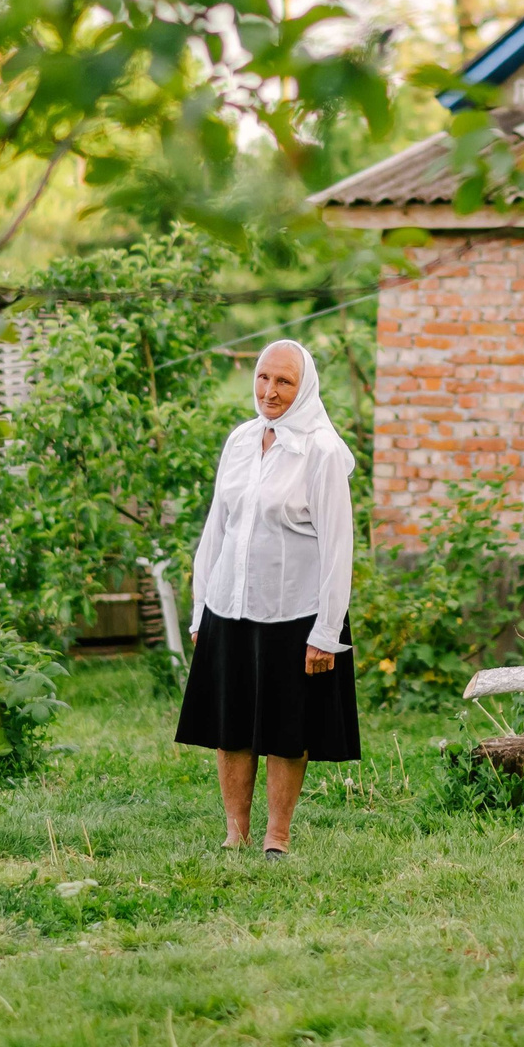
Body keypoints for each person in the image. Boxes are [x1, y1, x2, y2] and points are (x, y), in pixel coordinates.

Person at [174, 338, 360, 857]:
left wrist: (326, 631)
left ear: (304, 389)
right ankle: (236, 832)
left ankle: (277, 835)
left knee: (286, 727)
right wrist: (200, 609)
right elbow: (218, 527)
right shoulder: (239, 441)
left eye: (284, 382)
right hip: (229, 605)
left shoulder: (320, 451)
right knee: (230, 725)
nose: (270, 391)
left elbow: (337, 546)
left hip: (293, 614)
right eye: (263, 378)